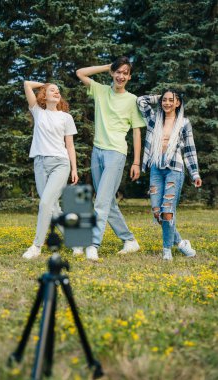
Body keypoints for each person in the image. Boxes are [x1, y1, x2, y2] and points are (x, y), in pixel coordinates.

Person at [76, 57, 146, 261]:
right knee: (108, 202)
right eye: (118, 72)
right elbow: (81, 72)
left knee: (101, 201)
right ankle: (130, 240)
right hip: (97, 151)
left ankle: (93, 244)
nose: (121, 75)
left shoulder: (132, 99)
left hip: (116, 153)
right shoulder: (100, 91)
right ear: (112, 73)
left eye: (125, 73)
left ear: (130, 77)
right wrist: (109, 66)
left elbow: (136, 132)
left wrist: (136, 162)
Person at [137, 90, 202, 260]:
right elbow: (141, 101)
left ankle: (167, 251)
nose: (167, 103)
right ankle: (181, 243)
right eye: (164, 100)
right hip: (156, 168)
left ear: (178, 103)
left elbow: (189, 150)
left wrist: (195, 174)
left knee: (168, 210)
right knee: (157, 212)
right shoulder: (154, 119)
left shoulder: (184, 123)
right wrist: (162, 97)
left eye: (171, 100)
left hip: (175, 168)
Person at [22, 80, 78, 259]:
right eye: (52, 90)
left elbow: (70, 146)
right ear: (44, 96)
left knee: (45, 203)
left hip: (60, 164)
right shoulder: (38, 112)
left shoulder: (66, 117)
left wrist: (74, 169)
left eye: (58, 90)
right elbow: (26, 84)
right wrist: (45, 85)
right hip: (40, 163)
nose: (56, 92)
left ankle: (36, 246)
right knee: (53, 207)